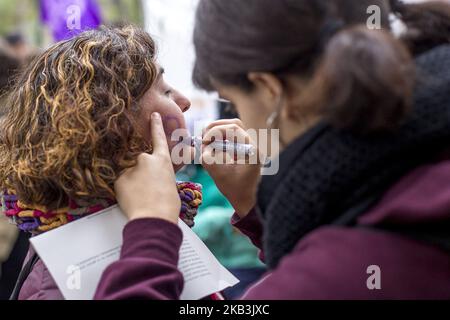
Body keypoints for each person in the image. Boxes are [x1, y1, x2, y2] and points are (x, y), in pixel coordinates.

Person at [94, 0, 450, 300]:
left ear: (269, 89)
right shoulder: (419, 155)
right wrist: (255, 206)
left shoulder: (337, 273)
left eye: (233, 101)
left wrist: (150, 230)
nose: (185, 103)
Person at [0, 25, 192, 300]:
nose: (184, 102)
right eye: (166, 92)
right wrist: (153, 225)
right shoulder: (61, 286)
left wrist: (251, 207)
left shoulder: (148, 218)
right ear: (115, 126)